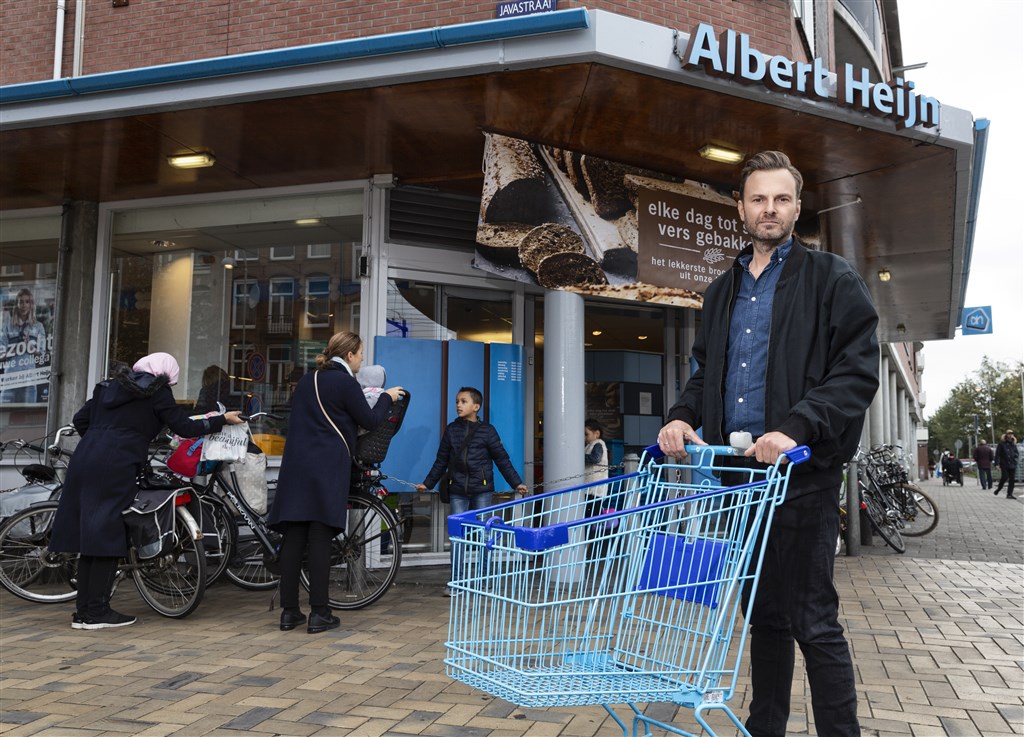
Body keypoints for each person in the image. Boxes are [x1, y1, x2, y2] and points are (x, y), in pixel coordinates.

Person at [657, 151, 879, 737]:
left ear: (797, 207)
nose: (769, 209)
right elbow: (707, 372)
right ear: (741, 207)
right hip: (738, 480)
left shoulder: (831, 278)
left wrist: (797, 426)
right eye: (758, 199)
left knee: (813, 619)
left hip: (801, 478)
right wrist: (681, 416)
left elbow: (855, 373)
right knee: (763, 617)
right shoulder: (721, 290)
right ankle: (766, 729)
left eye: (781, 199)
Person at [49, 352, 244, 629]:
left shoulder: (108, 386)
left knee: (90, 536)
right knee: (108, 534)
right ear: (166, 375)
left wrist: (104, 436)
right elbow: (185, 427)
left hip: (85, 459)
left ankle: (84, 612)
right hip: (118, 463)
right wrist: (222, 419)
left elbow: (80, 421)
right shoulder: (157, 392)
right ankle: (97, 612)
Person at [267, 332, 403, 634]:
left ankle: (289, 612)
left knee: (294, 538)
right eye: (361, 353)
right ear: (350, 354)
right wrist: (386, 397)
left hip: (296, 465)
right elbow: (369, 420)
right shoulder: (344, 382)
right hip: (326, 467)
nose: (363, 358)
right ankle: (319, 613)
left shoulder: (307, 380)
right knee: (319, 536)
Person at [416, 386, 529, 596]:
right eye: (457, 401)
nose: (458, 404)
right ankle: (457, 582)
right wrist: (428, 483)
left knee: (484, 535)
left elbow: (502, 460)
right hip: (457, 489)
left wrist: (516, 484)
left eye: (463, 401)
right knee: (458, 537)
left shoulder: (488, 431)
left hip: (482, 490)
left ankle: (483, 581)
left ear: (476, 406)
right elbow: (441, 461)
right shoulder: (451, 430)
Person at [0, 287, 48, 404]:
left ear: (31, 305)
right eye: (21, 301)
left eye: (27, 302)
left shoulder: (38, 327)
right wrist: (16, 349)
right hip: (10, 379)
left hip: (29, 380)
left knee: (28, 416)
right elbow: (0, 355)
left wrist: (30, 348)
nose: (24, 305)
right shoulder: (7, 326)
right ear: (17, 304)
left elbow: (43, 356)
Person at [993, 430, 1018, 499]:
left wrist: (1015, 459)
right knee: (1005, 477)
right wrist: (996, 464)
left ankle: (1009, 494)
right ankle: (999, 489)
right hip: (1004, 464)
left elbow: (1016, 453)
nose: (1010, 435)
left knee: (1012, 480)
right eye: (1009, 434)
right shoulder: (1001, 444)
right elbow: (997, 455)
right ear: (1006, 435)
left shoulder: (1013, 444)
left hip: (1012, 464)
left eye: (1012, 434)